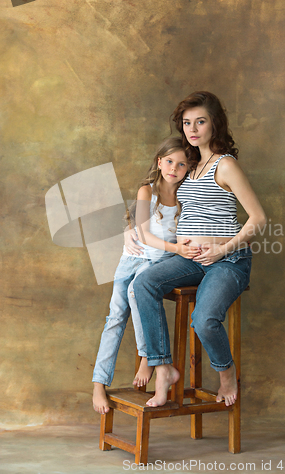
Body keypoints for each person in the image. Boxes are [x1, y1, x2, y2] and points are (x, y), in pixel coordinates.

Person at [132, 91, 267, 408]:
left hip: (227, 261)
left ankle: (226, 372)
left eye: (201, 122)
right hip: (190, 258)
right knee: (143, 283)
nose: (192, 129)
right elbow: (156, 192)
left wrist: (221, 251)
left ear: (214, 124)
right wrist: (135, 228)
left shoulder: (225, 165)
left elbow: (259, 219)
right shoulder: (188, 164)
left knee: (204, 319)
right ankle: (163, 366)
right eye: (187, 123)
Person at [92, 136, 196, 415]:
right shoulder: (146, 190)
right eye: (170, 161)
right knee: (115, 316)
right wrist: (174, 247)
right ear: (160, 162)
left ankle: (149, 359)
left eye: (182, 164)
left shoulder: (186, 196)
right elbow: (145, 234)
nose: (174, 168)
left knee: (138, 293)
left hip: (157, 263)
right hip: (133, 259)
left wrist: (179, 250)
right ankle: (99, 383)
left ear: (188, 168)